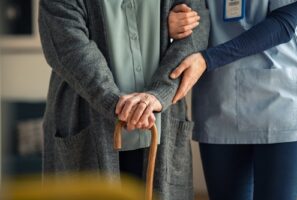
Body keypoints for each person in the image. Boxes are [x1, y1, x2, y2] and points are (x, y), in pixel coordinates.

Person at [38, 0, 209, 199]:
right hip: (87, 124)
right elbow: (68, 47)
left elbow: (196, 30)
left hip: (161, 126)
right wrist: (118, 103)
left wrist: (158, 95)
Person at [167, 1, 297, 200]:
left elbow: (284, 23)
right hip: (218, 100)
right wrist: (170, 23)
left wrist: (208, 59)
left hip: (277, 102)